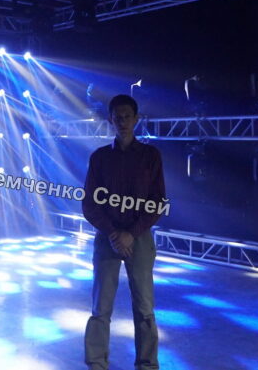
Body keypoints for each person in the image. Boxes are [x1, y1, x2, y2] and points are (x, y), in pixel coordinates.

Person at [82, 94, 165, 370]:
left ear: (136, 119)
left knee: (144, 308)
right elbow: (89, 204)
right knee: (100, 308)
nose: (123, 121)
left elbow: (157, 202)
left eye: (128, 116)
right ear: (110, 120)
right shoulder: (100, 158)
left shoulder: (150, 156)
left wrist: (132, 233)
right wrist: (114, 233)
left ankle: (147, 365)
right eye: (118, 117)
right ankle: (96, 363)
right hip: (108, 239)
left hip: (139, 239)